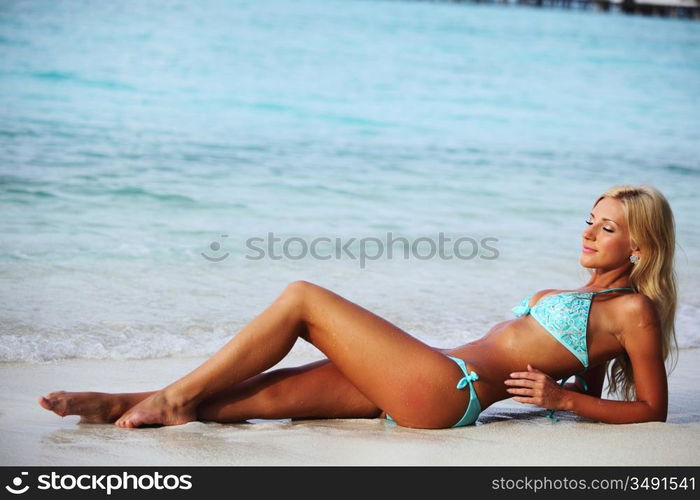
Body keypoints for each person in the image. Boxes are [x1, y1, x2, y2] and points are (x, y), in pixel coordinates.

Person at [38, 184, 677, 428]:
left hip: (448, 390)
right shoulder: (593, 301)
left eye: (608, 227)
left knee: (303, 299)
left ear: (641, 246)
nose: (589, 232)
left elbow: (651, 410)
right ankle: (130, 402)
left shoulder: (634, 312)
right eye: (589, 220)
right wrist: (570, 400)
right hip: (430, 377)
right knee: (273, 392)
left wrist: (561, 401)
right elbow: (592, 371)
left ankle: (170, 398)